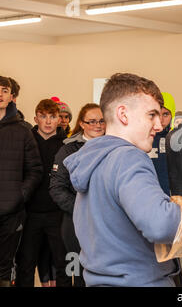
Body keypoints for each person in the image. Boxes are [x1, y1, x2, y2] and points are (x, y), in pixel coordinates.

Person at [63, 73, 182, 287]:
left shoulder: (93, 159)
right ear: (123, 114)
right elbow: (160, 224)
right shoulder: (128, 157)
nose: (158, 125)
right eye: (151, 115)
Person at [15, 99, 71, 287]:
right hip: (30, 213)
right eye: (43, 117)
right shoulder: (26, 142)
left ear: (59, 120)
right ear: (35, 118)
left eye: (52, 117)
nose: (48, 121)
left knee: (63, 263)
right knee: (26, 264)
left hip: (58, 213)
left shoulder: (66, 145)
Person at [49, 103, 106, 287]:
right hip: (76, 224)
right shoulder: (68, 149)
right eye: (91, 121)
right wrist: (83, 207)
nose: (97, 125)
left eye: (101, 121)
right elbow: (57, 188)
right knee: (79, 275)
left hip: (107, 223)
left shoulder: (115, 146)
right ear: (82, 123)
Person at [0, 76, 43, 287]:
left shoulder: (22, 130)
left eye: (4, 90)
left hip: (11, 211)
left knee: (4, 266)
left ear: (11, 96)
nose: (0, 94)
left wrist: (19, 196)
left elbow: (35, 169)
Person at [149, 92, 175, 196]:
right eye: (156, 114)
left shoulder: (176, 140)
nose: (161, 119)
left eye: (165, 114)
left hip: (171, 198)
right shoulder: (142, 138)